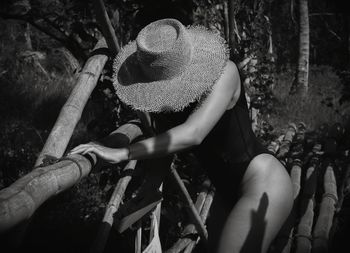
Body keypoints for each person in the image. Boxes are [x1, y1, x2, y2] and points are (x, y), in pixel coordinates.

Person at [70, 18, 293, 253]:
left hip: (263, 181)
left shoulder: (225, 73)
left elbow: (193, 133)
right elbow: (168, 140)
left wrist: (123, 153)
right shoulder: (167, 97)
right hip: (225, 191)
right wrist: (151, 186)